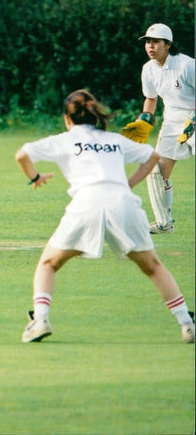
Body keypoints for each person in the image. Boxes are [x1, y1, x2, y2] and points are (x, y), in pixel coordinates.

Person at [15, 89, 194, 344]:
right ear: (95, 116)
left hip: (86, 204)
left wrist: (35, 177)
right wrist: (127, 184)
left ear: (67, 119)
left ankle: (40, 319)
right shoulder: (114, 140)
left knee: (48, 264)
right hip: (123, 203)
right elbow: (153, 157)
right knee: (153, 267)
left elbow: (22, 154)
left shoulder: (63, 140)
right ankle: (187, 324)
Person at [120, 23, 195, 234]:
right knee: (156, 171)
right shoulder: (148, 69)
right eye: (147, 42)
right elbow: (151, 98)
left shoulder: (187, 65)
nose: (150, 46)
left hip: (194, 116)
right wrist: (145, 119)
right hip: (172, 120)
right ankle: (164, 223)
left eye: (155, 42)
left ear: (168, 44)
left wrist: (194, 120)